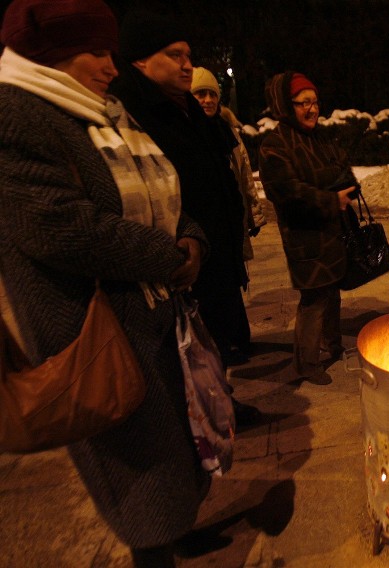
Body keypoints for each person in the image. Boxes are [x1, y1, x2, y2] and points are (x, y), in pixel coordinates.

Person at [0, 0, 210, 564]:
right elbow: (61, 228)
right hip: (98, 332)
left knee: (176, 442)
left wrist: (190, 236)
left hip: (151, 311)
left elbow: (160, 184)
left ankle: (179, 530)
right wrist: (166, 255)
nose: (110, 65)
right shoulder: (18, 115)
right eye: (95, 51)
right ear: (51, 53)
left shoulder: (102, 111)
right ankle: (155, 550)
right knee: (137, 461)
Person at [108, 11, 260, 424]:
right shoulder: (130, 111)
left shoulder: (188, 106)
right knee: (191, 343)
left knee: (216, 338)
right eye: (174, 55)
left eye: (189, 54)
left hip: (217, 246)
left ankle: (219, 403)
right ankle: (201, 417)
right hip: (183, 257)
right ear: (141, 59)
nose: (187, 64)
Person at [258, 71, 358, 384]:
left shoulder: (318, 138)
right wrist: (332, 198)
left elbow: (343, 169)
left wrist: (334, 186)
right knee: (313, 301)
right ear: (286, 107)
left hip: (332, 235)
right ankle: (307, 363)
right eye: (303, 103)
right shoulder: (274, 146)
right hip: (306, 239)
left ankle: (333, 343)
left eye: (315, 102)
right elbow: (288, 193)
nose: (312, 109)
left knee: (332, 295)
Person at [191, 66, 267, 263]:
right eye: (200, 94)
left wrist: (253, 215)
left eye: (212, 94)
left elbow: (245, 176)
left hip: (232, 221)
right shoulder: (186, 132)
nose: (208, 100)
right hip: (204, 226)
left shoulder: (228, 132)